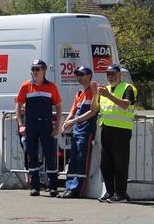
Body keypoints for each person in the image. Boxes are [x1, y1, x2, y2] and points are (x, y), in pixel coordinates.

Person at [15, 59, 62, 197]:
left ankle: (53, 186)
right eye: (33, 69)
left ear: (44, 70)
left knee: (50, 155)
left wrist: (57, 126)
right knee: (32, 156)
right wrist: (21, 124)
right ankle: (35, 186)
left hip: (46, 123)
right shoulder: (25, 86)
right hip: (31, 123)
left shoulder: (51, 87)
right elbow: (18, 105)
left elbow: (59, 107)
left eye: (37, 69)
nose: (34, 72)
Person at [97, 63, 137, 203]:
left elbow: (126, 104)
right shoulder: (105, 90)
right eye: (108, 74)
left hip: (121, 130)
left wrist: (108, 95)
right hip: (106, 129)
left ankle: (120, 194)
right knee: (105, 164)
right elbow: (95, 108)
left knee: (120, 163)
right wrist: (93, 92)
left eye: (113, 74)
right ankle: (110, 192)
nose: (111, 77)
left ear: (120, 75)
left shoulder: (127, 88)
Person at [59, 66, 99, 199]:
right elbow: (73, 109)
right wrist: (67, 121)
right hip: (77, 131)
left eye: (81, 74)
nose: (79, 77)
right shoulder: (79, 93)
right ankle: (69, 186)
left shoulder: (93, 92)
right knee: (73, 160)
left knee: (82, 159)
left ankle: (77, 189)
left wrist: (74, 121)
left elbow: (92, 112)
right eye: (77, 75)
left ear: (89, 75)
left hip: (86, 131)